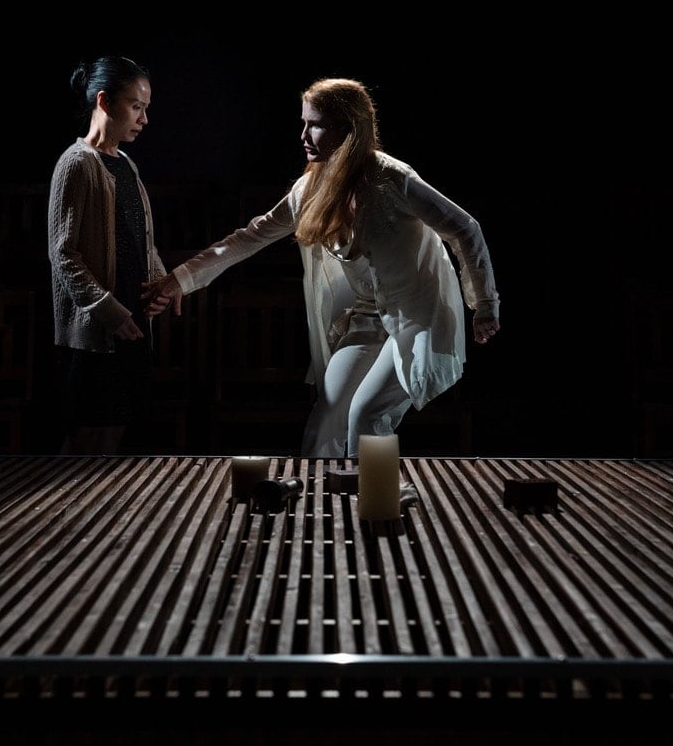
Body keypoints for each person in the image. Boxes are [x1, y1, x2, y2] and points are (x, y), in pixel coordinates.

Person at [141, 77, 500, 458]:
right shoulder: (310, 190)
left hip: (416, 315)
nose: (303, 136)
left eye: (315, 125)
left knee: (367, 413)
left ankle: (374, 494)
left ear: (348, 130)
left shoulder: (392, 178)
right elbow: (249, 237)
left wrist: (484, 304)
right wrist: (180, 279)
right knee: (326, 418)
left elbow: (465, 228)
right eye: (304, 123)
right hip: (366, 318)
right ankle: (320, 494)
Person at [48, 56, 172, 454]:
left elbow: (141, 239)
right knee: (85, 439)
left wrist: (161, 283)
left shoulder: (127, 165)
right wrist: (108, 311)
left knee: (115, 434)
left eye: (145, 108)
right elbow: (63, 254)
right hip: (95, 332)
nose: (144, 119)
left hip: (131, 324)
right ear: (104, 101)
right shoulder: (76, 163)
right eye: (136, 107)